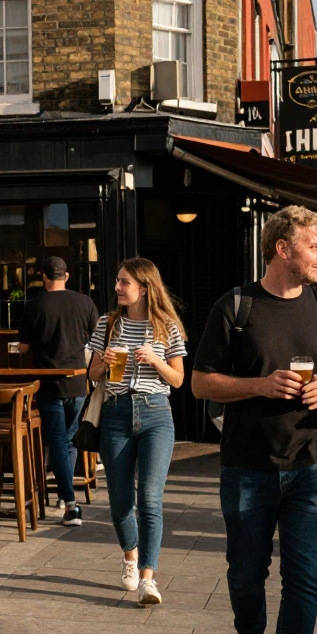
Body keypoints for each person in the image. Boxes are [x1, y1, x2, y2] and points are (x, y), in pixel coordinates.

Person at [191, 205, 317, 634]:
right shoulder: (235, 306)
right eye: (315, 246)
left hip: (312, 463)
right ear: (283, 249)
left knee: (303, 578)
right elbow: (200, 383)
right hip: (248, 465)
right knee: (246, 576)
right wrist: (260, 384)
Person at [86, 258, 186, 606]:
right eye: (117, 280)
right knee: (119, 502)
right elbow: (92, 374)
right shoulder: (107, 323)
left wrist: (155, 361)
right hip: (115, 413)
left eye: (123, 281)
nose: (116, 287)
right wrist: (105, 361)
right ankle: (130, 556)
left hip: (156, 413)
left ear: (143, 287)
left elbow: (177, 379)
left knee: (149, 498)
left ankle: (148, 578)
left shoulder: (166, 327)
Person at [18, 256, 100, 526]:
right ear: (66, 276)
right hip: (78, 383)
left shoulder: (35, 305)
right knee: (69, 441)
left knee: (59, 442)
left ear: (43, 277)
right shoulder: (85, 303)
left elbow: (24, 348)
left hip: (48, 385)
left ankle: (71, 504)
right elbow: (98, 340)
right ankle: (69, 500)